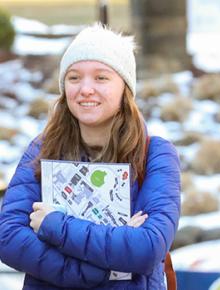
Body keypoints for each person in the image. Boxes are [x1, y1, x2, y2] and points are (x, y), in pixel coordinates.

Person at [0, 23, 181, 290]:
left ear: (125, 88)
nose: (85, 89)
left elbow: (148, 247)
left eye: (101, 78)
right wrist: (97, 270)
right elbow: (9, 238)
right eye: (74, 78)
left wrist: (54, 225)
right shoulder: (42, 149)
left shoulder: (155, 154)